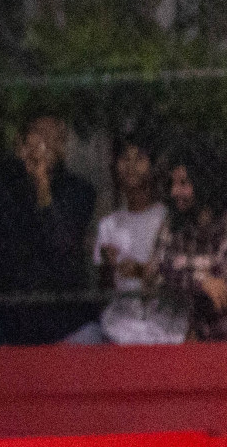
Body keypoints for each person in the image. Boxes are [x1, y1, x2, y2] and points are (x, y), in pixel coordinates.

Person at [0, 98, 96, 345]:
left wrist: (42, 184)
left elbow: (61, 243)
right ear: (22, 144)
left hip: (63, 325)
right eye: (36, 137)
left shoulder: (80, 191)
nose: (41, 146)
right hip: (9, 322)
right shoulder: (4, 178)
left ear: (62, 146)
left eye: (51, 138)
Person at [70, 137, 180, 346]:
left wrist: (141, 271)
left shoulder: (168, 218)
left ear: (153, 166)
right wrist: (109, 267)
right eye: (124, 159)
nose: (130, 166)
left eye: (139, 159)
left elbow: (174, 274)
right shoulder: (108, 225)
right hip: (120, 330)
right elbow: (105, 291)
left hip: (164, 330)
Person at [151, 152, 227, 342]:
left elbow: (221, 281)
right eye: (173, 184)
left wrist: (182, 265)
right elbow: (157, 272)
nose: (174, 192)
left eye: (183, 184)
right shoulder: (173, 223)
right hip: (181, 336)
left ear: (204, 184)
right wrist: (201, 280)